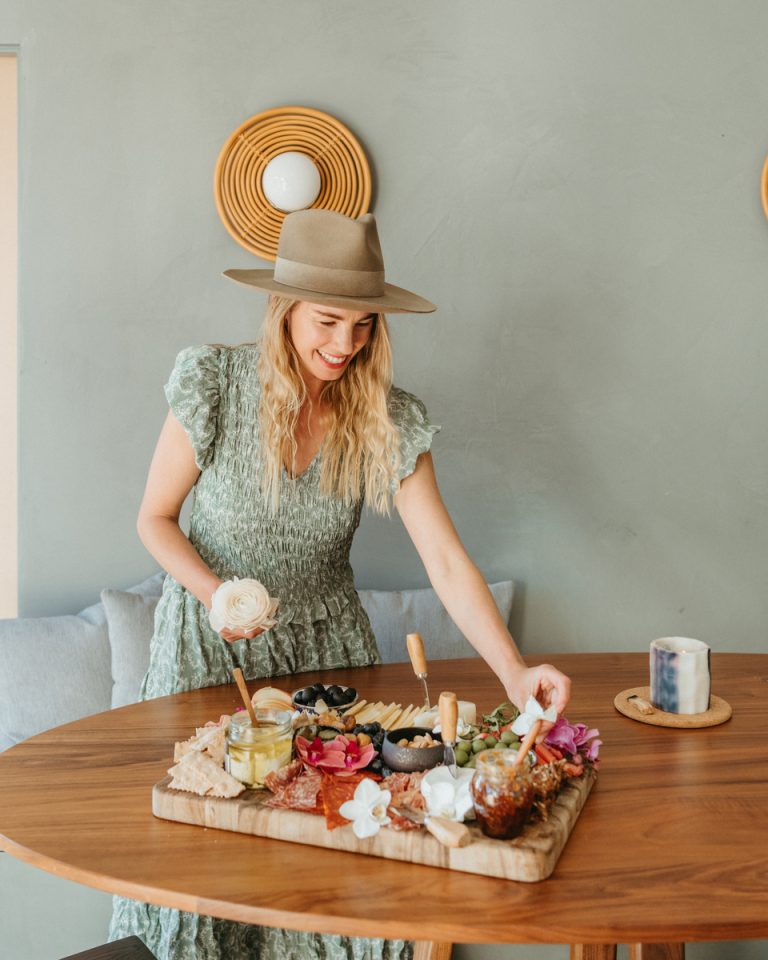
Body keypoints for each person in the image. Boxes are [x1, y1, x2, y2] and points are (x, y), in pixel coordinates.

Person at [109, 209, 571, 960]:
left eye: (364, 326)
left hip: (327, 661)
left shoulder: (385, 416)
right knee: (215, 871)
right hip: (207, 651)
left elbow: (446, 562)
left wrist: (514, 670)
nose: (345, 345)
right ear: (284, 309)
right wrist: (213, 593)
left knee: (321, 871)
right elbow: (154, 519)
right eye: (328, 321)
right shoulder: (214, 385)